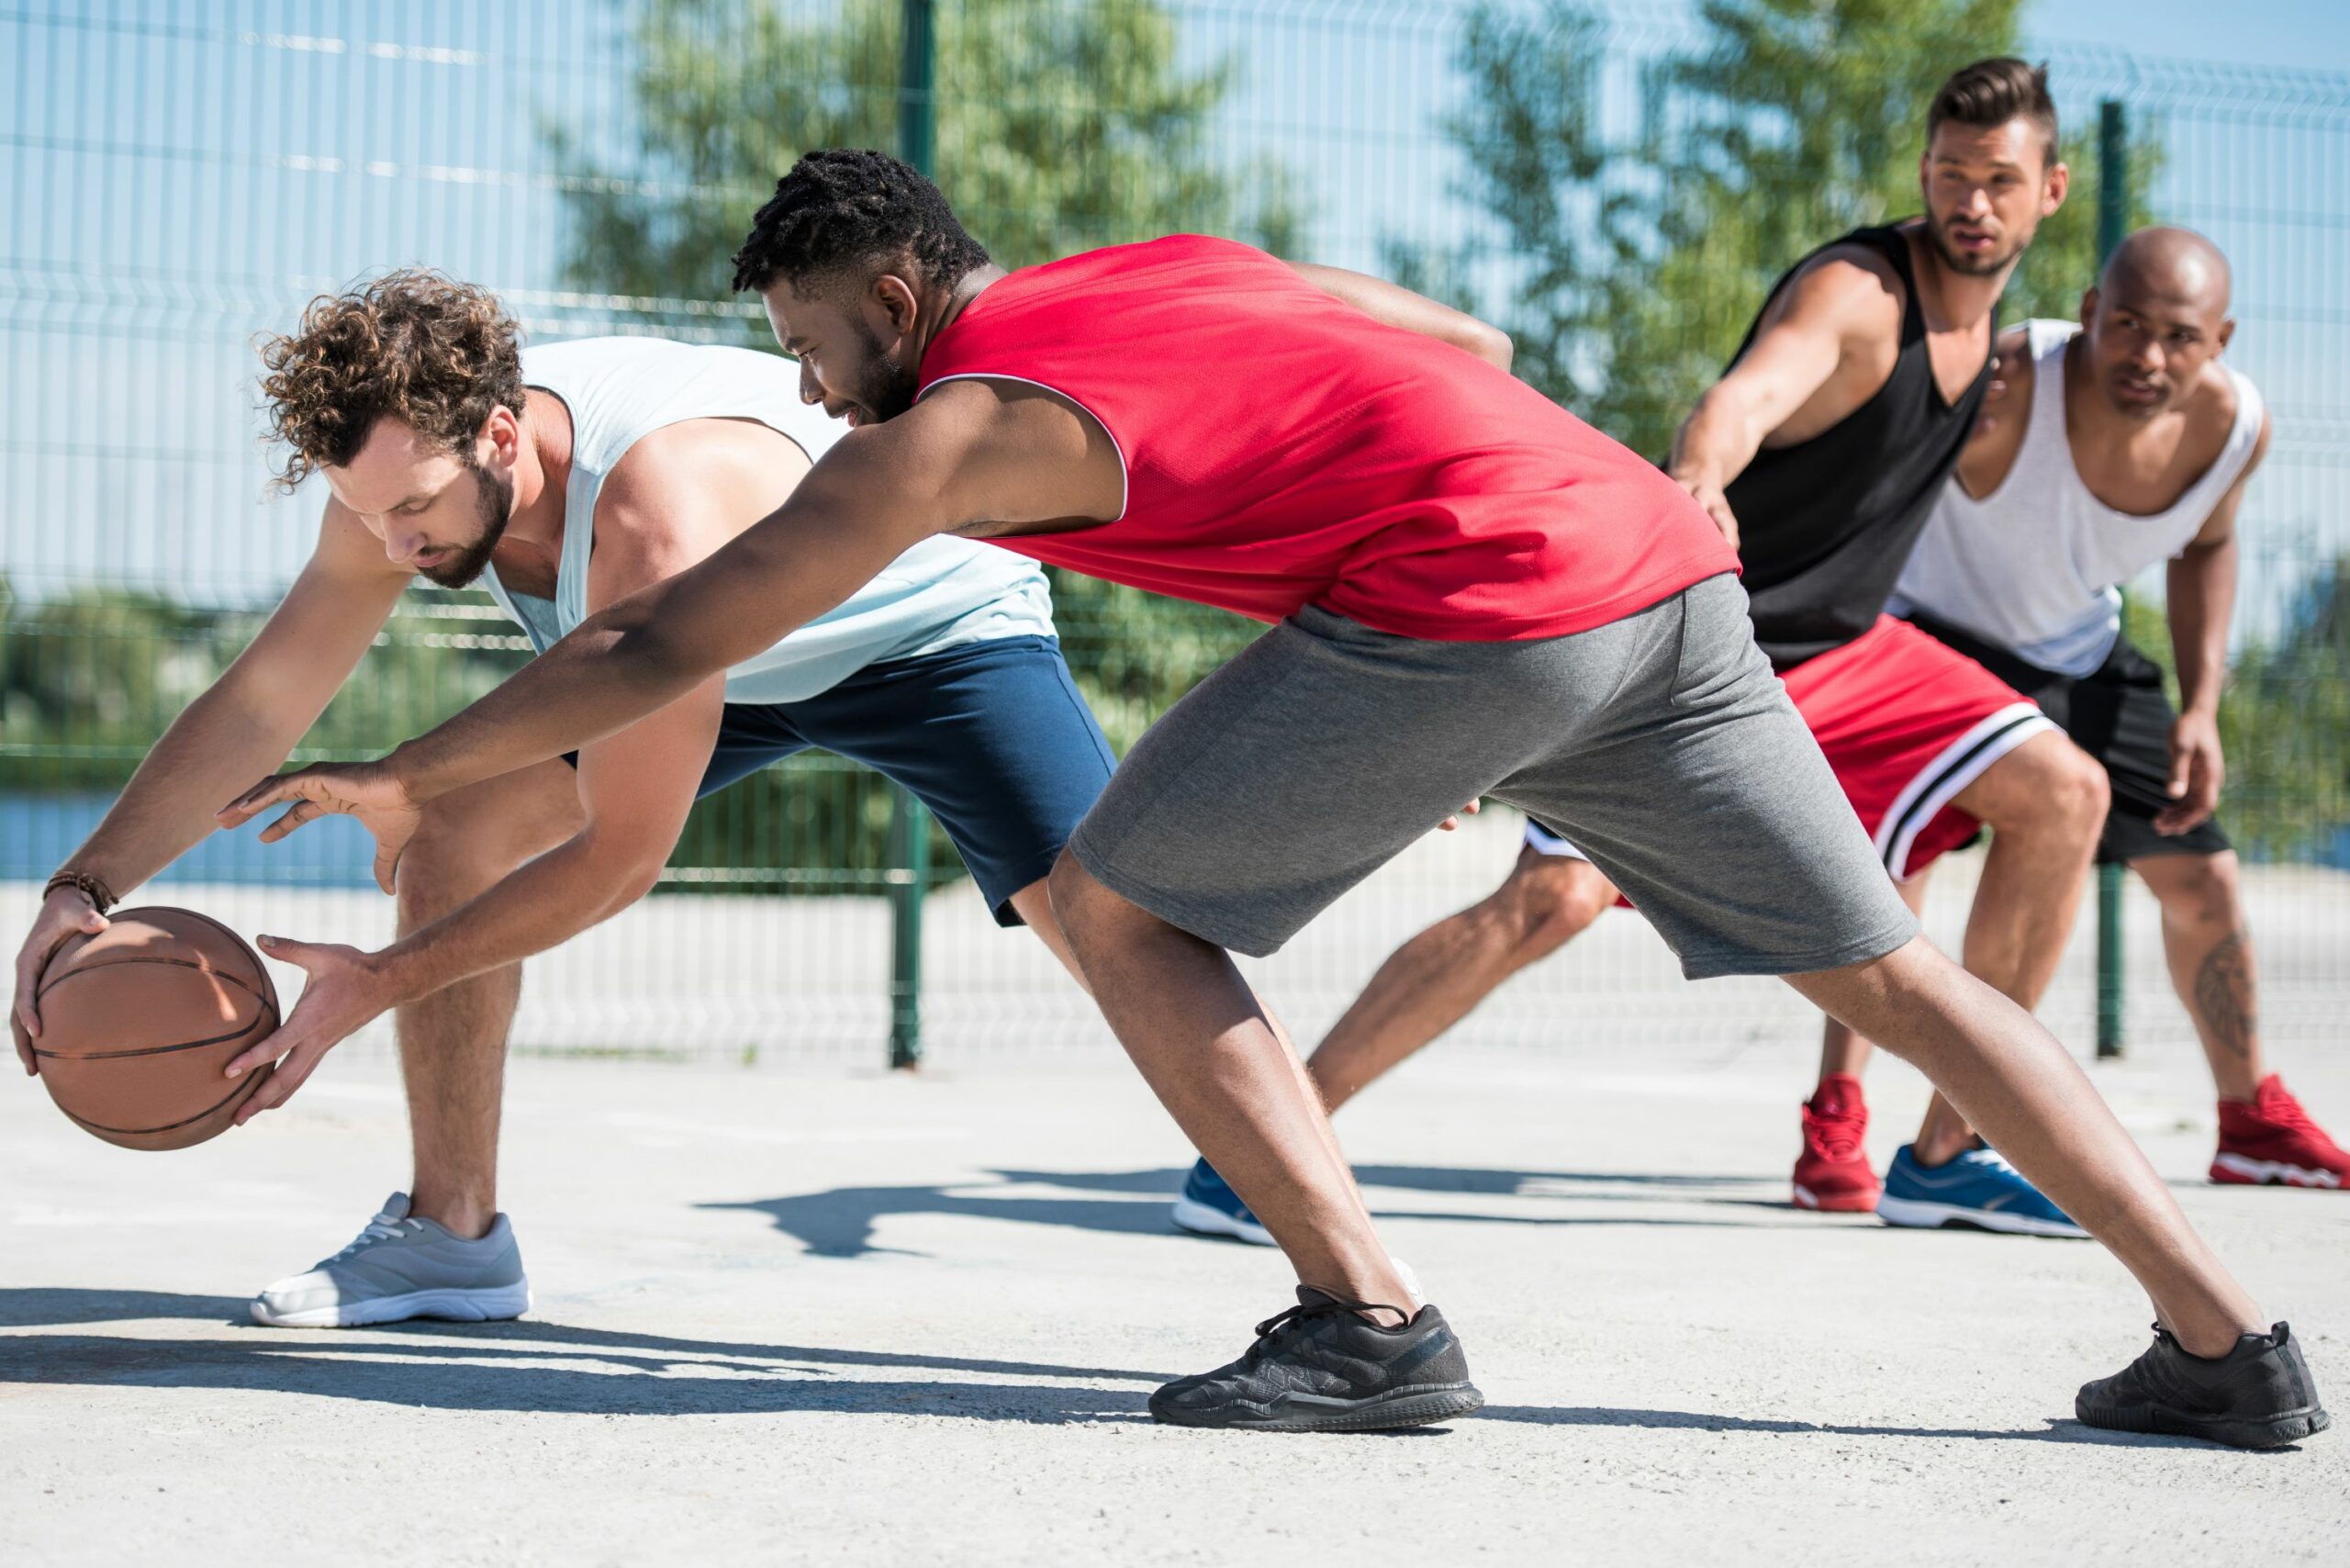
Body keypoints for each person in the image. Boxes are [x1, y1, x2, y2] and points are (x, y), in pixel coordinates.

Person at [223, 144, 2323, 1448]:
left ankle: (1366, 1322)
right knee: (1878, 974)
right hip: (1652, 567)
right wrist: (1403, 625)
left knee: (1110, 898)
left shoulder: (945, 423)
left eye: (802, 341)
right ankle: (2223, 1347)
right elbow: (1459, 328)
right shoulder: (1175, 260)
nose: (797, 390)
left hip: (1496, 600)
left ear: (884, 295)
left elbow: (660, 651)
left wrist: (404, 771)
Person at [10, 272, 1116, 1328]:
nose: (393, 545)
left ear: (500, 438)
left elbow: (619, 860)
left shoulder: (648, 503)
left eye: (412, 509)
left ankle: (1271, 1163)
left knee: (1120, 935)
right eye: (368, 514)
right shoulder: (397, 474)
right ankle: (453, 1233)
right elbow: (263, 701)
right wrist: (85, 883)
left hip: (920, 639)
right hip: (690, 657)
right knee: (457, 834)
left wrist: (380, 981)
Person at [1177, 57, 2108, 1243]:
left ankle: (1946, 1157)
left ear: (2051, 192)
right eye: (1951, 175)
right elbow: (1748, 398)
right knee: (1552, 902)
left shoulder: (2008, 348)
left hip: (1851, 651)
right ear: (1924, 174)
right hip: (1699, 653)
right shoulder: (1862, 293)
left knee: (2063, 793)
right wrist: (1703, 473)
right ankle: (1262, 1150)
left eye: (1999, 181)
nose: (1972, 201)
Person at [1880, 226, 2347, 1189]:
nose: (2146, 355)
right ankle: (1837, 1123)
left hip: (2075, 652)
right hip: (1930, 633)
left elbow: (2206, 548)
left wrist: (2201, 704)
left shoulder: (2234, 427)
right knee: (1889, 880)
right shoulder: (2011, 376)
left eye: (2178, 336)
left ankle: (2249, 1119)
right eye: (2126, 325)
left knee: (2202, 875)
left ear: (2219, 339)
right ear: (2089, 312)